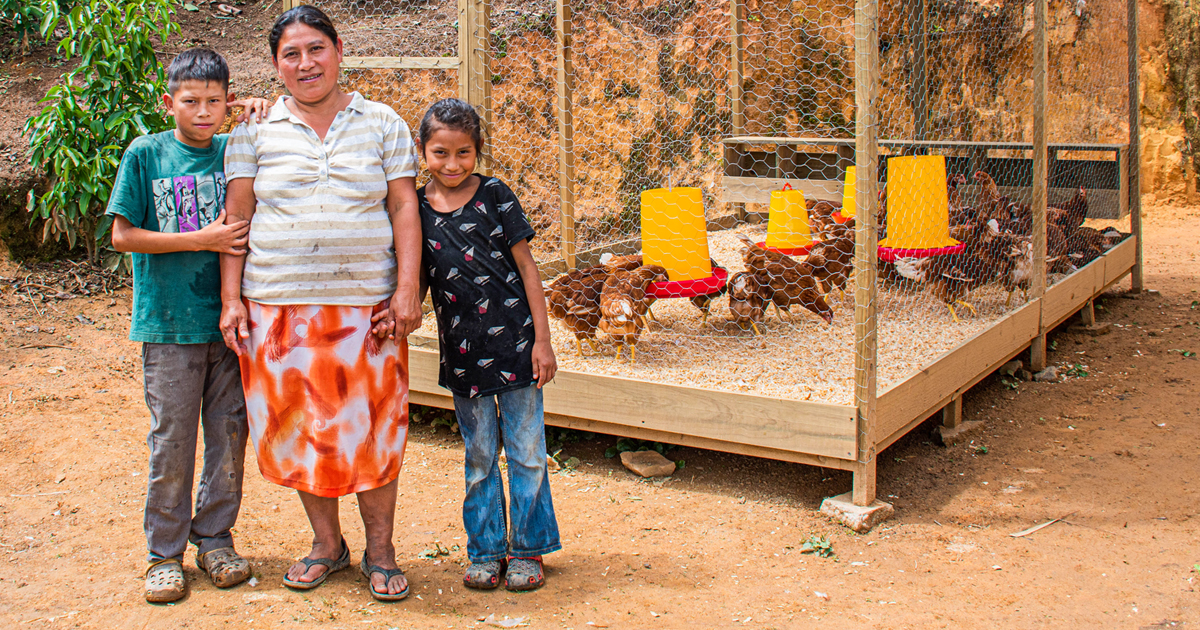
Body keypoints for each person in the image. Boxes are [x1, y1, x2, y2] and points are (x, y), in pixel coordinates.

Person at [218, 5, 422, 602]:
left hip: (368, 310)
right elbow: (238, 218)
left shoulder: (382, 121)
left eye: (316, 49)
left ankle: (380, 551)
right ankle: (326, 545)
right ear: (276, 65)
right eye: (291, 54)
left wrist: (407, 289)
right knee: (304, 430)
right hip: (278, 307)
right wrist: (232, 300)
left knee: (374, 430)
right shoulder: (253, 130)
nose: (306, 63)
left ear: (339, 51)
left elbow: (404, 207)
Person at [106, 48, 269, 603]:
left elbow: (267, 141)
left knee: (228, 434)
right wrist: (202, 238)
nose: (204, 112)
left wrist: (259, 112)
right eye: (191, 101)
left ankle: (216, 539)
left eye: (216, 101)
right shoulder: (146, 153)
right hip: (169, 323)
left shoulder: (232, 149)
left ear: (228, 101)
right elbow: (122, 235)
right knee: (172, 439)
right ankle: (164, 555)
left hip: (228, 324)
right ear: (168, 101)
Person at [416, 98, 561, 592]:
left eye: (463, 153)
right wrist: (396, 316)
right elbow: (417, 284)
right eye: (440, 153)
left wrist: (543, 341)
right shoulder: (415, 208)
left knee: (526, 452)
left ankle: (528, 551)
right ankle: (484, 550)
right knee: (479, 457)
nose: (452, 165)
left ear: (477, 151)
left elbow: (528, 270)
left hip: (518, 348)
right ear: (423, 151)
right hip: (462, 356)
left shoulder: (496, 195)